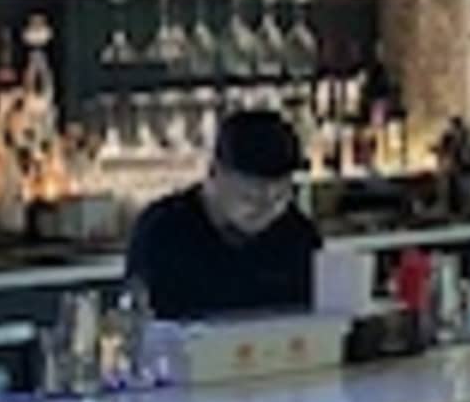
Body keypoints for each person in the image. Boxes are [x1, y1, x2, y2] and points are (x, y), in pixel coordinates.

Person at [121, 107, 323, 319]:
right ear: (214, 174)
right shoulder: (163, 231)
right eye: (250, 196)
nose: (267, 209)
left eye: (280, 195)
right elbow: (140, 322)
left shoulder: (297, 235)